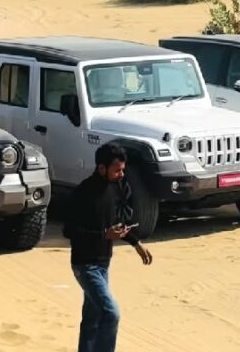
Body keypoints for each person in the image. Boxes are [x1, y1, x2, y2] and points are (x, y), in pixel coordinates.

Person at [64, 143, 154, 352]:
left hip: (103, 264)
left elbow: (119, 222)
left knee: (92, 319)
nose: (121, 174)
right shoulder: (84, 193)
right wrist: (103, 235)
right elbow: (70, 231)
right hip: (84, 265)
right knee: (110, 313)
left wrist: (136, 243)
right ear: (102, 168)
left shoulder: (119, 187)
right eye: (116, 170)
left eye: (123, 169)